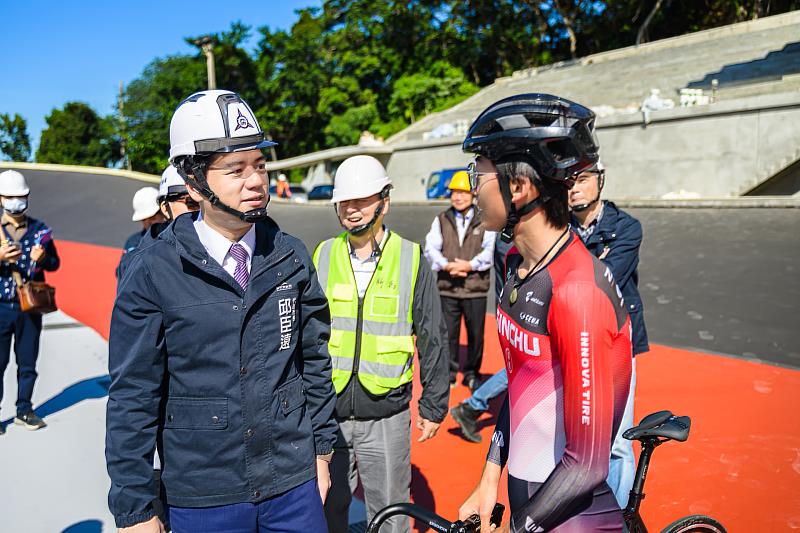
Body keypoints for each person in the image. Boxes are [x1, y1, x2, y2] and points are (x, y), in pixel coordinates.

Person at [106, 89, 337, 533]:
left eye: (260, 165)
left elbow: (313, 360)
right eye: (235, 169)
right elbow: (132, 394)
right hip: (201, 496)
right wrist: (135, 507)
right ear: (193, 182)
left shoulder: (290, 256)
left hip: (292, 486)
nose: (255, 181)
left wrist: (323, 452)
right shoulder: (152, 270)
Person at [457, 94, 632, 532]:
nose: (471, 188)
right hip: (526, 493)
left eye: (477, 174)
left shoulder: (576, 291)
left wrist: (521, 527)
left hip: (568, 514)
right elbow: (520, 387)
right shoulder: (517, 264)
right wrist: (488, 480)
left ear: (519, 187)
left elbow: (587, 465)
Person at [313, 155, 449, 533]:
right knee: (326, 508)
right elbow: (307, 335)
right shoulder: (323, 254)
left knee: (390, 512)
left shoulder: (410, 257)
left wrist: (435, 403)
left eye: (363, 200)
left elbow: (432, 333)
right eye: (346, 201)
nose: (352, 210)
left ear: (384, 202)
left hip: (386, 414)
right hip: (329, 413)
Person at [570, 160, 649, 507]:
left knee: (617, 442)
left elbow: (605, 281)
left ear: (600, 181)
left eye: (583, 179)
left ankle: (619, 519)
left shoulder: (627, 228)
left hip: (616, 341)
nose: (574, 187)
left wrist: (578, 271)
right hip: (574, 340)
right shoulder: (559, 228)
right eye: (568, 180)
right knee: (574, 435)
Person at [0, 169, 60, 433]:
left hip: (29, 308)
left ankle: (24, 410)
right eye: (10, 197)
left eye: (21, 196)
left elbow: (56, 264)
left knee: (27, 363)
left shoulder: (40, 230)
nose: (16, 201)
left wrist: (43, 258)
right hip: (0, 306)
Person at [424, 170, 495, 391]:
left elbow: (489, 251)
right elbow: (431, 248)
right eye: (454, 192)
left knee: (476, 335)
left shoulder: (486, 219)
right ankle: (451, 373)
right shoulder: (441, 219)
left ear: (473, 194)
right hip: (448, 288)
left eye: (463, 192)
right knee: (449, 335)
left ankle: (472, 374)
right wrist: (447, 265)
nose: (458, 197)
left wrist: (469, 266)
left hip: (475, 289)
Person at [117, 167, 200, 281]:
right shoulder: (135, 246)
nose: (149, 222)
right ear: (165, 208)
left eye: (153, 217)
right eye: (190, 202)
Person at [116, 186, 165, 277]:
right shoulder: (133, 242)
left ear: (164, 211)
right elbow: (121, 272)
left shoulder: (175, 239)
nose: (148, 223)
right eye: (143, 219)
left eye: (152, 218)